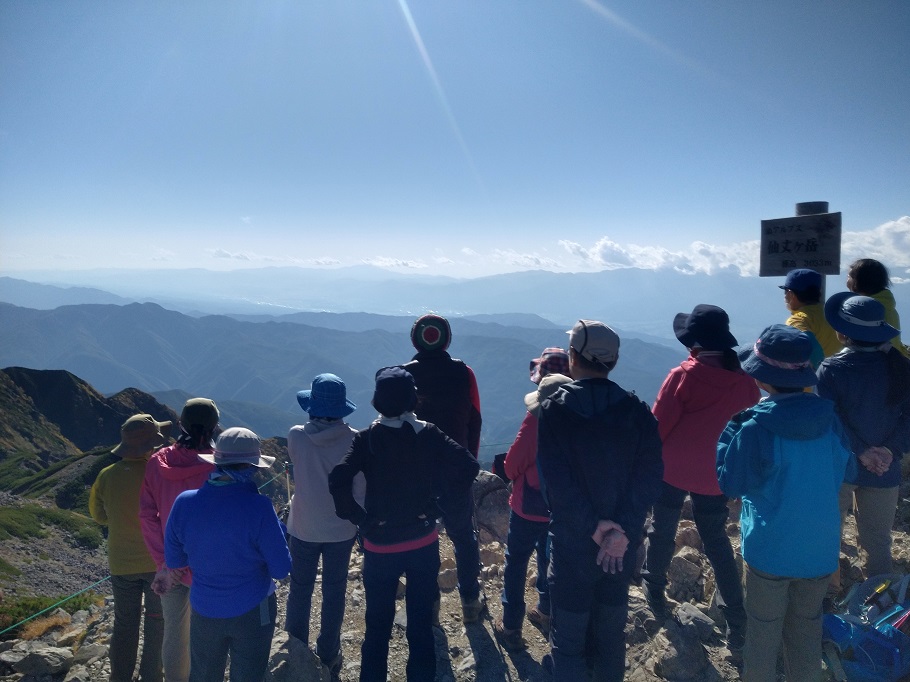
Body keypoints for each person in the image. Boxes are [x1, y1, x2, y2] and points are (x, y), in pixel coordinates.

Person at [717, 324, 853, 682]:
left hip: (770, 549)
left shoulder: (753, 428)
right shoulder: (831, 420)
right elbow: (846, 470)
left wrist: (729, 434)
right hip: (820, 550)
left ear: (763, 378)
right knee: (806, 630)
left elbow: (730, 482)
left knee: (763, 632)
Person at [329, 366, 479, 682]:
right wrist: (438, 504)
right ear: (412, 399)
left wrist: (359, 519)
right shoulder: (428, 434)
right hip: (422, 541)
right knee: (421, 625)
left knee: (377, 627)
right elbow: (468, 466)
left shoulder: (368, 439)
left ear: (377, 401)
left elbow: (338, 478)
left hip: (380, 545)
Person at [537, 320, 663, 681]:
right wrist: (619, 531)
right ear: (615, 361)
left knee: (569, 643)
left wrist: (594, 527)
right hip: (620, 551)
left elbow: (556, 487)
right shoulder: (638, 412)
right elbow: (650, 478)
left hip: (573, 546)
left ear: (573, 357)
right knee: (610, 638)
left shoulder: (555, 410)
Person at [643, 305, 759, 650]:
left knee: (661, 529)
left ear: (693, 343)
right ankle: (736, 619)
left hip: (672, 470)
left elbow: (657, 428)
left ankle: (654, 593)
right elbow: (746, 425)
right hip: (717, 474)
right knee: (717, 542)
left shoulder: (683, 376)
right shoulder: (745, 381)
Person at [164, 427, 291, 682]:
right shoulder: (260, 508)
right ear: (252, 467)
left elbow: (175, 561)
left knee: (203, 675)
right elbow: (281, 569)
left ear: (217, 463)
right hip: (253, 608)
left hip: (204, 606)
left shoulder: (184, 503)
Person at [817, 293, 910, 583]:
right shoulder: (901, 368)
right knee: (879, 541)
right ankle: (881, 607)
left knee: (828, 535)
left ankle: (825, 600)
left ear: (843, 334)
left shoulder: (831, 369)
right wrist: (888, 451)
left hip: (841, 465)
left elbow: (830, 420)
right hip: (885, 468)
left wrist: (860, 451)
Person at [402, 314, 484, 622]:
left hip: (416, 474)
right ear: (447, 340)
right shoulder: (465, 373)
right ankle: (470, 601)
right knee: (463, 536)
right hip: (456, 469)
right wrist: (469, 461)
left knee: (423, 537)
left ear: (415, 340)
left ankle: (429, 606)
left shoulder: (403, 375)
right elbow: (474, 420)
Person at [285, 374, 363, 679]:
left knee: (299, 590)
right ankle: (329, 655)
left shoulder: (296, 436)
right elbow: (360, 488)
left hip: (303, 526)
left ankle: (297, 651)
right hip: (341, 529)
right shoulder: (356, 439)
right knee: (334, 591)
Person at [494, 354, 572, 651]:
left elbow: (513, 464)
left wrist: (516, 477)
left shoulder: (535, 420)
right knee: (548, 560)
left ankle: (512, 626)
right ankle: (546, 611)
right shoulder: (576, 420)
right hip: (560, 508)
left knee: (515, 563)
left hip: (527, 506)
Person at [140, 398, 219, 682]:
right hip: (208, 566)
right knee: (208, 633)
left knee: (174, 634)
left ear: (180, 425)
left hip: (169, 567)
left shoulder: (156, 463)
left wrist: (165, 563)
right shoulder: (219, 466)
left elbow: (147, 515)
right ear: (215, 427)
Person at [90, 414, 170, 682]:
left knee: (125, 624)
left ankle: (120, 677)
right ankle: (151, 676)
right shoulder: (158, 472)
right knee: (157, 621)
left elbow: (98, 515)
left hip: (121, 563)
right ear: (151, 444)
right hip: (155, 562)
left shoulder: (106, 475)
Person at [846, 258, 910, 357]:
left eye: (849, 276)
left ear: (859, 281)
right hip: (894, 364)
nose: (846, 280)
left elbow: (847, 340)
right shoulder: (890, 307)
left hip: (873, 365)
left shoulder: (863, 309)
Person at [780, 268, 841, 366]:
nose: (785, 296)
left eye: (785, 291)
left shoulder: (797, 321)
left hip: (819, 378)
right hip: (842, 373)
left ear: (791, 294)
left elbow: (813, 352)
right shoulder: (833, 314)